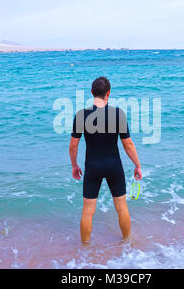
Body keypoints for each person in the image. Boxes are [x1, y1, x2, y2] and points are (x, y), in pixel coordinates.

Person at [69, 77, 142, 243]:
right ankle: (127, 241)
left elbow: (73, 146)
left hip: (92, 166)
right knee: (121, 207)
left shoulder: (81, 115)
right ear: (108, 93)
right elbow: (128, 144)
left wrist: (74, 165)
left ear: (91, 92)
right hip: (114, 166)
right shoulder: (118, 114)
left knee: (88, 210)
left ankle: (85, 249)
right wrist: (137, 165)